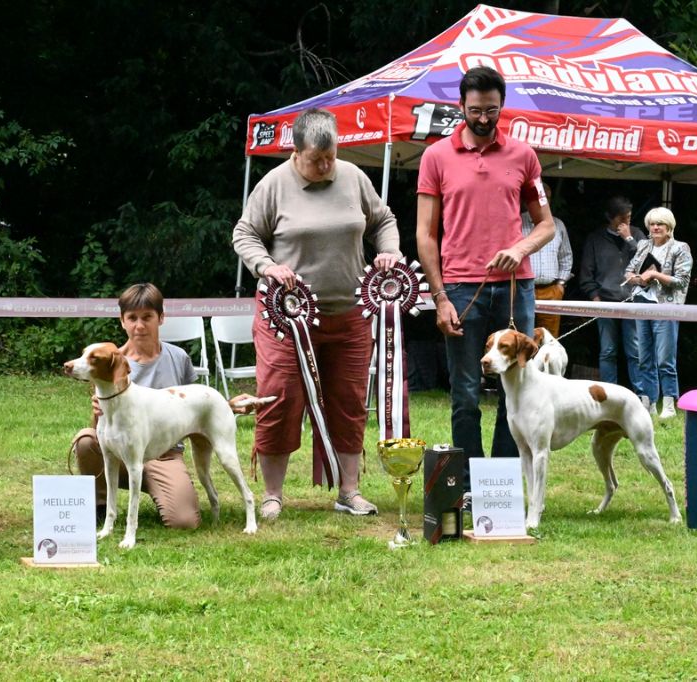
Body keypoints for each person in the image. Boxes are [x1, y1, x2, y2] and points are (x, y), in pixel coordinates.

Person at [232, 107, 402, 521]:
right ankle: (273, 494)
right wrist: (266, 266)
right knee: (280, 398)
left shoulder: (353, 177)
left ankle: (348, 491)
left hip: (350, 314)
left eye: (330, 156)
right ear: (296, 151)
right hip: (286, 320)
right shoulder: (273, 185)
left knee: (349, 401)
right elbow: (245, 233)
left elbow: (384, 220)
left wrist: (390, 250)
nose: (326, 165)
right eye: (316, 159)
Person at [415, 65, 554, 489]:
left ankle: (504, 486)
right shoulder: (436, 156)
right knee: (465, 392)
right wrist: (439, 298)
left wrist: (519, 249)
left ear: (501, 106)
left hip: (515, 288)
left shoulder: (523, 155)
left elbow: (546, 224)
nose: (482, 118)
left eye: (491, 110)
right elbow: (424, 234)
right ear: (461, 105)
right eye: (475, 110)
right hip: (460, 287)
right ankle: (471, 484)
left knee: (517, 390)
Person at [71, 283, 202, 530]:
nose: (139, 326)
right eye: (132, 318)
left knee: (183, 522)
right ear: (122, 321)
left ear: (161, 318)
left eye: (147, 317)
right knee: (86, 441)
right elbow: (101, 428)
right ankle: (101, 507)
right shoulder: (106, 360)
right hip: (121, 451)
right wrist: (96, 413)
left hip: (165, 453)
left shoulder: (179, 358)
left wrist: (228, 407)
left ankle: (165, 486)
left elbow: (196, 405)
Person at [577, 195, 647, 403]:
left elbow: (648, 263)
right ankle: (609, 395)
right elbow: (586, 272)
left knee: (634, 350)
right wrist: (594, 297)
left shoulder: (637, 235)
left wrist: (629, 239)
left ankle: (641, 394)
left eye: (629, 217)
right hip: (605, 301)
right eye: (621, 218)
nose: (626, 223)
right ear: (609, 217)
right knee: (607, 350)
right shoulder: (595, 239)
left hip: (633, 300)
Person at [624, 207, 692, 418]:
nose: (655, 228)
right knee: (644, 357)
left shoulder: (680, 248)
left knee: (665, 358)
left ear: (669, 226)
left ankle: (670, 403)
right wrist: (638, 278)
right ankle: (649, 402)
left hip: (666, 307)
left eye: (660, 224)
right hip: (642, 304)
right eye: (652, 224)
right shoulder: (643, 245)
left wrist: (655, 274)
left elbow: (681, 281)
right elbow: (629, 271)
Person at [521, 181, 573, 337]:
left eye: (547, 198)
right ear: (526, 200)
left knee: (550, 340)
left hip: (551, 289)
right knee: (522, 337)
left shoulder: (558, 225)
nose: (544, 202)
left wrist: (561, 284)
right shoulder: (517, 223)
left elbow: (566, 256)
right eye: (539, 198)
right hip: (523, 289)